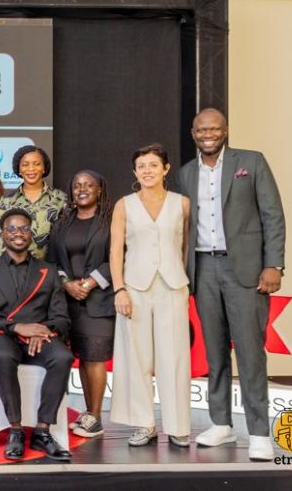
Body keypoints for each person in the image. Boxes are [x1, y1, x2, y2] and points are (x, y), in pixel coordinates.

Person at [178, 108, 285, 461]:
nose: (208, 133)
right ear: (193, 133)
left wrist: (273, 264)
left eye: (214, 128)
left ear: (225, 130)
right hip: (203, 268)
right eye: (201, 129)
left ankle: (258, 431)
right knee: (214, 350)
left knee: (251, 352)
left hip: (246, 270)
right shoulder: (186, 173)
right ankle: (221, 423)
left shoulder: (250, 162)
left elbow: (272, 215)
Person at [0, 208, 73, 461]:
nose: (18, 234)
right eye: (12, 229)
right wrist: (16, 327)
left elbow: (62, 318)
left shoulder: (47, 271)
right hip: (1, 336)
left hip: (39, 337)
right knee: (4, 355)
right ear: (2, 235)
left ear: (32, 234)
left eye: (24, 229)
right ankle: (15, 429)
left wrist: (45, 330)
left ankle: (42, 430)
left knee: (62, 357)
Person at [109, 143, 191, 448]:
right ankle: (144, 423)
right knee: (137, 359)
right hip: (135, 289)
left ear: (166, 169)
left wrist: (182, 279)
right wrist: (120, 288)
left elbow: (185, 248)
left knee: (175, 358)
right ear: (135, 171)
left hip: (172, 286)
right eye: (141, 166)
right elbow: (116, 250)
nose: (147, 171)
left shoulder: (182, 204)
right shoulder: (124, 205)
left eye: (153, 165)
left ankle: (178, 425)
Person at [47, 170, 114, 438]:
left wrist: (90, 283)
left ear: (100, 190)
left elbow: (118, 257)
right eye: (77, 185)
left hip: (98, 300)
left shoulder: (110, 221)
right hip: (67, 301)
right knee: (80, 359)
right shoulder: (63, 222)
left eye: (89, 185)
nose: (82, 189)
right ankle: (87, 414)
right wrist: (66, 284)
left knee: (93, 358)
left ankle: (95, 416)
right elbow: (52, 260)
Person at [0, 145, 68, 260]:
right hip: (14, 272)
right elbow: (0, 237)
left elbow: (66, 240)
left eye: (37, 164)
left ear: (44, 168)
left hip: (49, 271)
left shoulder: (60, 199)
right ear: (19, 169)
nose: (31, 169)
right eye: (25, 164)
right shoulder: (8, 200)